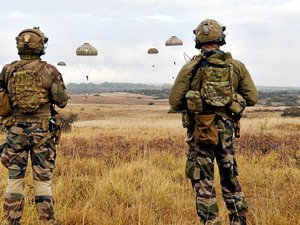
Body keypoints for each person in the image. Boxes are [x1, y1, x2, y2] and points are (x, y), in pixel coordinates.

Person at [169, 19, 258, 225]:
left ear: (198, 40)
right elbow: (252, 97)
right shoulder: (235, 66)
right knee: (230, 178)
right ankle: (239, 221)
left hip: (200, 131)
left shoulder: (191, 67)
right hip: (226, 132)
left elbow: (174, 101)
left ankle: (210, 222)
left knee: (203, 182)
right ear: (221, 38)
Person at [0, 27, 69, 224]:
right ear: (41, 46)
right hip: (43, 134)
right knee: (43, 182)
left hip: (15, 134)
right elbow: (62, 101)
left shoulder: (7, 70)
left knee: (14, 181)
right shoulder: (50, 70)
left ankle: (11, 221)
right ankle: (46, 221)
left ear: (19, 46)